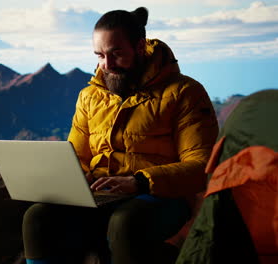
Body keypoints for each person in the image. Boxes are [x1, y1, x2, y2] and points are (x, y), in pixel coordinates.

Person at [22, 7, 219, 264]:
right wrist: (70, 179)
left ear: (139, 47)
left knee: (124, 222)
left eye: (116, 54)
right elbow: (77, 155)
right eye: (100, 55)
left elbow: (201, 166)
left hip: (160, 196)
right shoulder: (89, 97)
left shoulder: (185, 93)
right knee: (37, 217)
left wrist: (140, 182)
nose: (107, 65)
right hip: (102, 194)